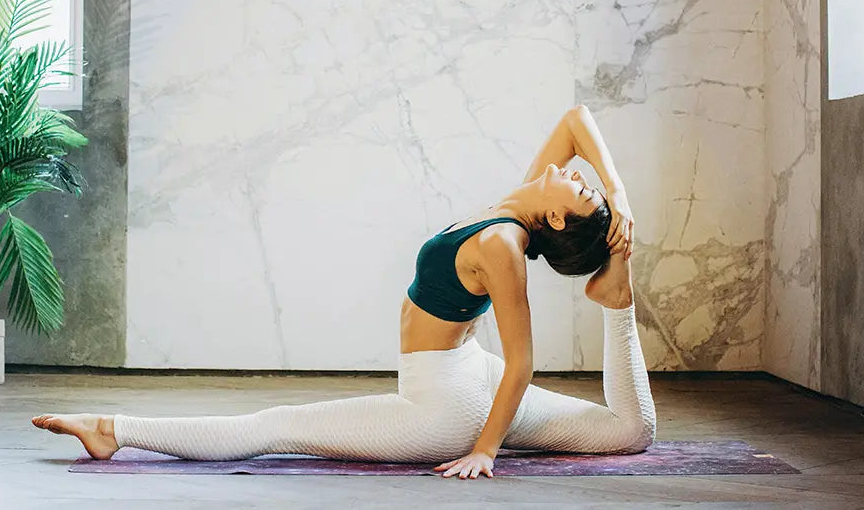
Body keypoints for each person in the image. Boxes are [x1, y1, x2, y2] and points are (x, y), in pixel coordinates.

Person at [32, 104, 655, 480]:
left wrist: (485, 450)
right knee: (628, 434)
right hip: (472, 378)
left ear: (556, 220)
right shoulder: (516, 207)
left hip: (447, 407)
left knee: (277, 427)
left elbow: (523, 361)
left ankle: (114, 430)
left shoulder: (503, 246)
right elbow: (577, 119)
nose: (583, 178)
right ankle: (616, 292)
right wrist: (620, 199)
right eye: (590, 186)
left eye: (589, 194)